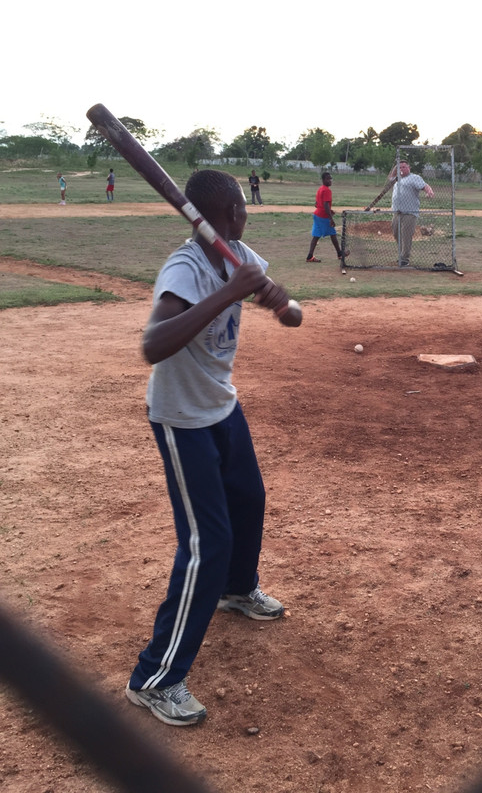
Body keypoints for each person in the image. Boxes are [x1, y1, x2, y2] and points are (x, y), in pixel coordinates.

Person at [125, 169, 285, 727]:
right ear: (227, 211)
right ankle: (154, 678)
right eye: (242, 205)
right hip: (181, 418)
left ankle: (238, 590)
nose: (247, 213)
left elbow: (274, 301)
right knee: (206, 542)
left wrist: (277, 300)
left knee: (249, 500)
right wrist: (229, 293)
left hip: (220, 404)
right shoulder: (186, 268)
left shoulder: (239, 253)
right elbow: (153, 345)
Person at [390, 160, 434, 267]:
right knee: (396, 233)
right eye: (400, 167)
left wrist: (429, 191)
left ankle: (405, 259)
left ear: (409, 167)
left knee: (406, 235)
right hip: (397, 212)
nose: (402, 169)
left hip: (409, 213)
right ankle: (402, 255)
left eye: (404, 167)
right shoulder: (397, 178)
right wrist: (396, 167)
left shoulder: (414, 177)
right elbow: (391, 177)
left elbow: (424, 186)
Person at [306, 171, 343, 262]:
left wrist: (329, 211)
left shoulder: (320, 189)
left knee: (316, 236)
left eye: (331, 178)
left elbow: (317, 204)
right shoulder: (327, 190)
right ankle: (340, 254)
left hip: (317, 215)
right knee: (333, 234)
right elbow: (325, 204)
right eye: (328, 179)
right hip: (323, 217)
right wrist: (331, 218)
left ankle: (310, 256)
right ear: (323, 180)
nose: (330, 180)